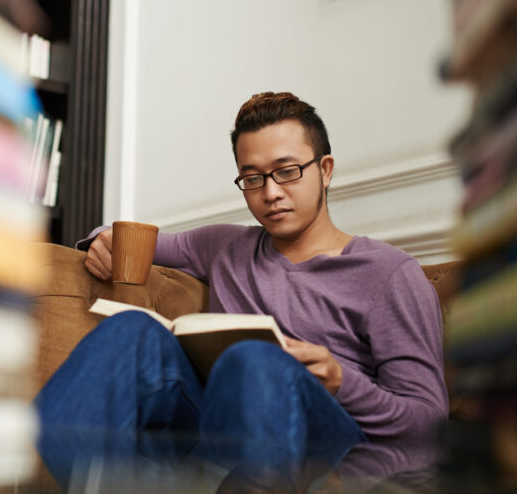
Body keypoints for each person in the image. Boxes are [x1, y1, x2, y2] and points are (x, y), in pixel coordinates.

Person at [34, 92, 448, 491]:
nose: (270, 192)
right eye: (252, 178)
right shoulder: (224, 245)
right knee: (129, 331)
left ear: (325, 169)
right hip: (216, 422)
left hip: (324, 440)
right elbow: (130, 236)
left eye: (287, 171)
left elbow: (429, 426)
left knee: (254, 359)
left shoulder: (390, 274)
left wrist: (342, 382)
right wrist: (102, 240)